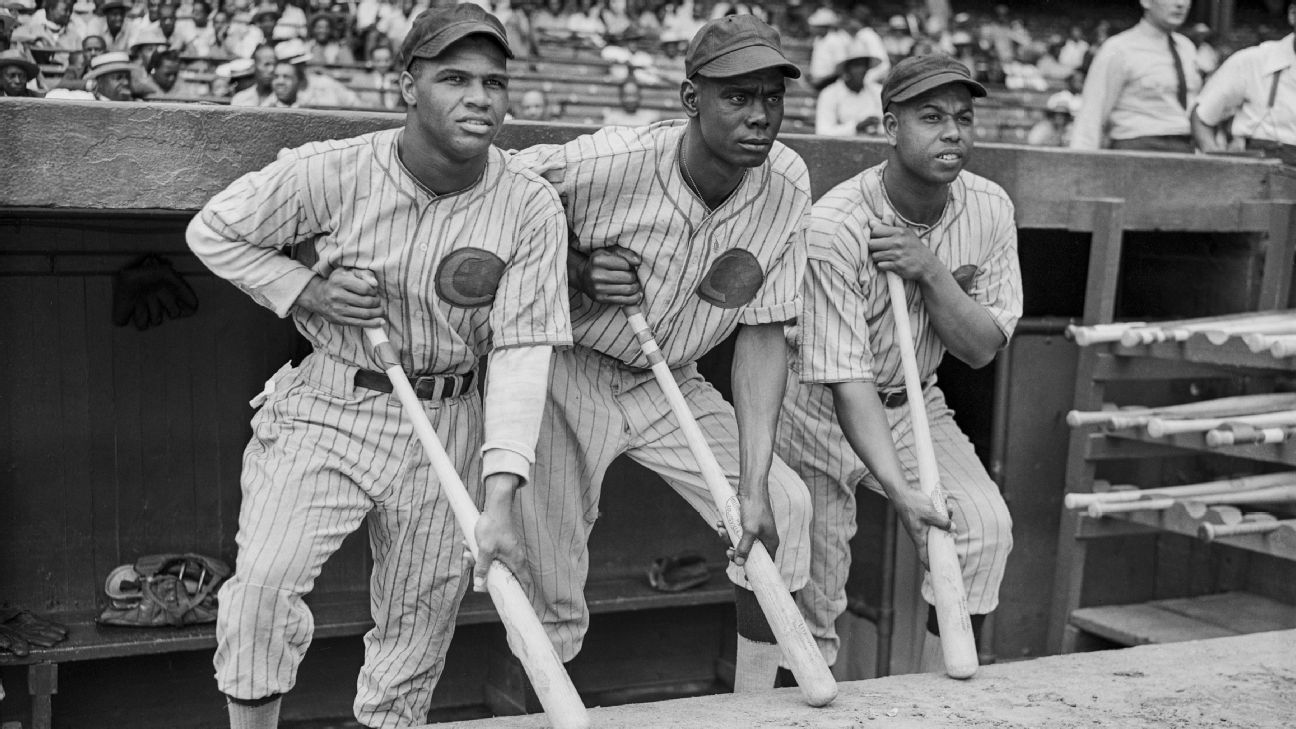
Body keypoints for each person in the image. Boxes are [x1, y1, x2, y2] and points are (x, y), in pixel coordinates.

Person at [186, 5, 571, 728]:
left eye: (493, 81)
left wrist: (501, 496)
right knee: (262, 590)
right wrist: (311, 289)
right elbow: (214, 229)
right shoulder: (334, 169)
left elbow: (522, 353)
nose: (479, 98)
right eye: (454, 78)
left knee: (417, 630)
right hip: (332, 400)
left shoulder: (529, 205)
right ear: (407, 85)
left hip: (452, 415)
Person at [512, 14, 814, 694]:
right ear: (690, 100)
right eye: (737, 96)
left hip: (671, 378)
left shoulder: (788, 183)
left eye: (772, 96)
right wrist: (573, 265)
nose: (760, 114)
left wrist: (755, 480)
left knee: (782, 510)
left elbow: (764, 333)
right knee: (550, 581)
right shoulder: (606, 160)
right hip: (570, 370)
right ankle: (539, 710)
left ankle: (755, 705)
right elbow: (487, 197)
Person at [777, 53, 1019, 675]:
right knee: (813, 593)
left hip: (916, 403)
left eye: (964, 118)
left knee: (982, 528)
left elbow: (980, 347)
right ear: (889, 127)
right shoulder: (837, 224)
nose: (953, 132)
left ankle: (946, 703)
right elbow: (845, 378)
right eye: (931, 117)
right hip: (819, 406)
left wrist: (930, 271)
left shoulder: (989, 207)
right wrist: (900, 491)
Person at [1070, 0, 1199, 152]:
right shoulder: (1119, 48)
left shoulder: (1187, 48)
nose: (1180, 4)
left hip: (1185, 148)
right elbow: (1092, 113)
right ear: (1146, 2)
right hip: (1138, 149)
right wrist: (1081, 164)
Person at [1192, 1, 1296, 164]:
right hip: (1260, 178)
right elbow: (1202, 117)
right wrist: (1215, 165)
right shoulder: (1254, 61)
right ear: (1293, 14)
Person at [815, 40, 884, 136]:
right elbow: (823, 131)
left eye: (864, 65)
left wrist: (877, 127)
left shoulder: (877, 92)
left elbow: (889, 127)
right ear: (847, 69)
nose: (862, 70)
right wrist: (855, 127)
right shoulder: (829, 94)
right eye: (857, 65)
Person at [807, 6, 851, 91]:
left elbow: (840, 67)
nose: (812, 29)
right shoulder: (818, 40)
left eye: (815, 27)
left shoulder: (835, 41)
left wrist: (822, 81)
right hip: (817, 83)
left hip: (830, 84)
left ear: (823, 27)